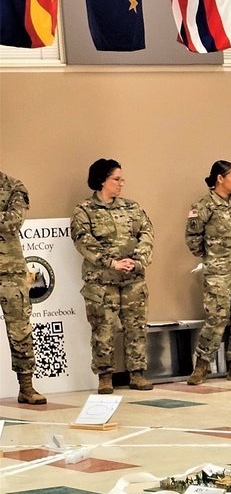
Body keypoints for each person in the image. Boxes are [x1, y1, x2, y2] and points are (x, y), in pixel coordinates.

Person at [70, 160, 154, 394]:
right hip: (101, 282)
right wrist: (112, 262)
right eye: (116, 179)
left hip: (132, 280)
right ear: (102, 180)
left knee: (136, 327)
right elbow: (83, 241)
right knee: (103, 329)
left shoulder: (132, 207)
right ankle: (105, 376)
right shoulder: (84, 210)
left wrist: (136, 260)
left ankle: (136, 374)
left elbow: (146, 232)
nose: (121, 184)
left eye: (122, 179)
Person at [185, 161, 231, 385]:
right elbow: (193, 239)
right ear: (220, 178)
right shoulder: (204, 205)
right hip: (219, 272)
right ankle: (202, 365)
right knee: (216, 318)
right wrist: (212, 258)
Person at [0, 170, 45, 404]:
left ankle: (26, 387)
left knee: (20, 331)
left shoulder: (13, 186)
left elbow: (13, 221)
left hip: (10, 270)